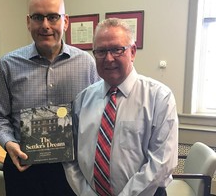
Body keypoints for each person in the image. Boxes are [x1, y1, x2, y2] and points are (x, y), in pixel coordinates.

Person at [0, 0, 100, 196]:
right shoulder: (8, 64)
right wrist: (8, 142)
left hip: (73, 168)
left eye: (53, 17)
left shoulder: (87, 63)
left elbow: (99, 111)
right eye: (38, 17)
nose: (45, 25)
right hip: (24, 167)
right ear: (29, 22)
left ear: (65, 22)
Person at [64, 18, 178, 196]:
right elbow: (70, 157)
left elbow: (161, 162)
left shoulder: (159, 97)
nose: (108, 58)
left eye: (117, 49)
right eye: (101, 51)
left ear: (132, 52)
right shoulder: (83, 99)